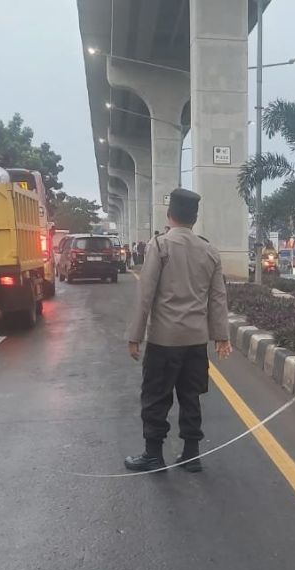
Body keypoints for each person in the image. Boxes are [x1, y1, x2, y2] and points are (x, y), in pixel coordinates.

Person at [124, 188, 231, 473]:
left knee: (156, 397)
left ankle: (153, 454)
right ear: (194, 219)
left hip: (164, 340)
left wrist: (135, 337)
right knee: (190, 396)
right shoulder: (209, 250)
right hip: (196, 341)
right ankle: (191, 454)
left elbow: (145, 294)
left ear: (169, 215)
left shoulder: (159, 246)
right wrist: (221, 337)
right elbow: (218, 297)